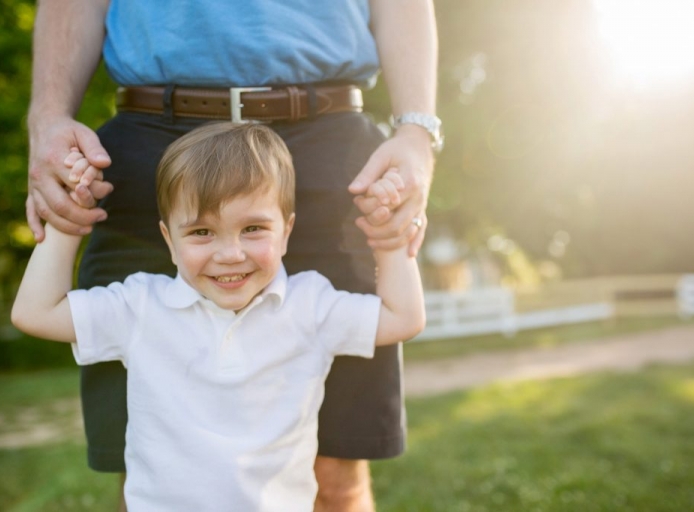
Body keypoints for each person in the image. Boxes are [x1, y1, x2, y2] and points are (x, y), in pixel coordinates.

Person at [26, 1, 439, 509]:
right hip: (151, 140)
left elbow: (400, 318)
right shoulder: (137, 307)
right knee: (149, 465)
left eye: (252, 232)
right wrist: (50, 131)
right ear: (169, 235)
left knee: (337, 475)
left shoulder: (312, 306)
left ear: (284, 231)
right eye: (200, 234)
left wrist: (417, 132)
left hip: (327, 139)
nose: (230, 254)